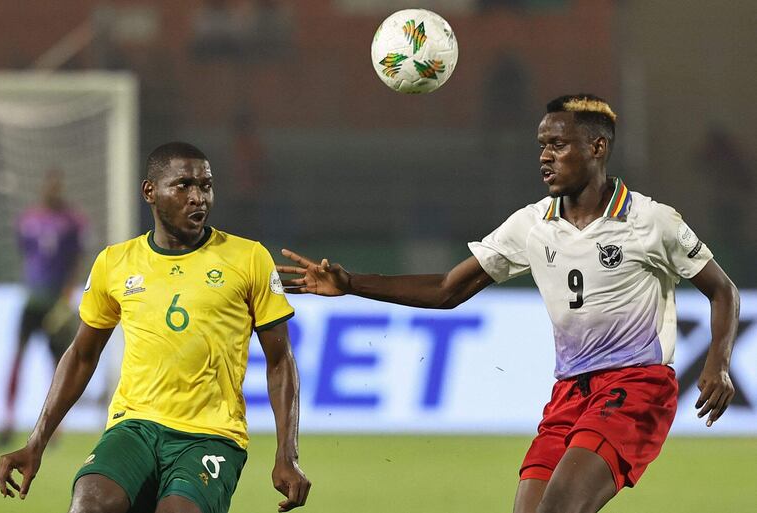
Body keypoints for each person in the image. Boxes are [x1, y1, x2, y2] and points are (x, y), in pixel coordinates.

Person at [276, 95, 739, 513]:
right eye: (541, 146)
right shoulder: (531, 225)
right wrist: (352, 283)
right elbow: (448, 289)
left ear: (597, 148)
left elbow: (723, 291)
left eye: (558, 145)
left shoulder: (651, 221)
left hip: (636, 387)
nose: (544, 156)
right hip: (570, 392)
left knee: (558, 508)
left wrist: (717, 363)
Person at [0, 142, 311, 513]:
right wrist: (36, 441)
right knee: (89, 504)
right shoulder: (115, 262)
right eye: (183, 185)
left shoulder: (248, 258)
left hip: (211, 436)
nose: (198, 197)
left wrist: (287, 454)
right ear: (150, 191)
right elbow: (82, 355)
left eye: (205, 186)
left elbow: (280, 360)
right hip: (134, 428)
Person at [0, 169, 85, 447]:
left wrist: (67, 296)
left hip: (56, 303)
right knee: (18, 358)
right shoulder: (28, 219)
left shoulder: (72, 222)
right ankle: (8, 421)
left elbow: (77, 260)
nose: (53, 190)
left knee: (59, 365)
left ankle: (55, 427)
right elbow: (26, 254)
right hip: (33, 300)